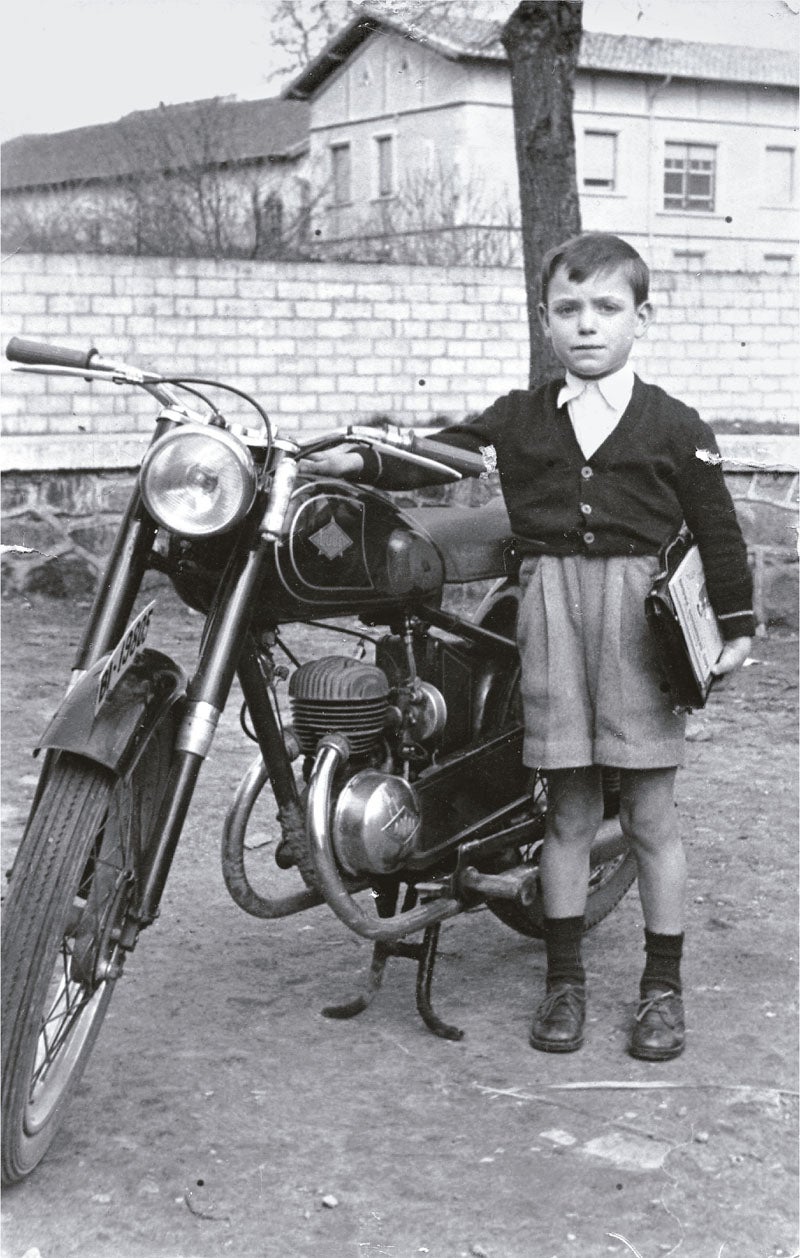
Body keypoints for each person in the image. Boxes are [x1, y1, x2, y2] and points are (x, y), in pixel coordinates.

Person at [301, 232, 754, 1061]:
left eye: (607, 308)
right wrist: (355, 455)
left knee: (649, 812)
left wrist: (736, 627)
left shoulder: (675, 425)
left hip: (638, 624)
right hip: (548, 615)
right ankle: (565, 981)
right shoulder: (517, 417)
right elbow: (431, 455)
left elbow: (720, 537)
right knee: (570, 809)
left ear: (641, 318)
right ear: (546, 321)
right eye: (569, 309)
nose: (588, 326)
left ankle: (662, 987)